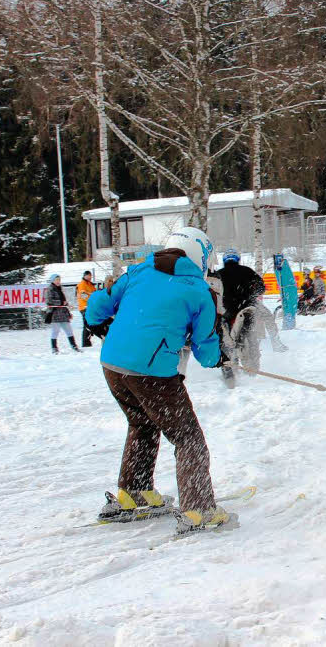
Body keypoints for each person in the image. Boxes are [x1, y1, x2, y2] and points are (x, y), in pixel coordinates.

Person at [85, 227, 228, 533]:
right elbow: (205, 348)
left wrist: (96, 322)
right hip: (152, 373)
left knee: (143, 424)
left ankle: (134, 493)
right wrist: (219, 357)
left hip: (112, 365)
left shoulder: (138, 271)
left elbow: (99, 306)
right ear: (199, 256)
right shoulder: (197, 289)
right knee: (188, 438)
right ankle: (199, 510)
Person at [215, 248, 267, 374]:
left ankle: (228, 371)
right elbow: (261, 287)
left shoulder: (218, 274)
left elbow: (210, 292)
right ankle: (253, 369)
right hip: (246, 310)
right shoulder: (247, 271)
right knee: (251, 336)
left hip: (226, 312)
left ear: (224, 260)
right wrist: (250, 295)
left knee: (224, 341)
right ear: (238, 259)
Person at [46, 274, 80, 354]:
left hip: (63, 313)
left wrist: (68, 311)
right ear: (52, 280)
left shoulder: (60, 289)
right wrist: (61, 302)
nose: (58, 281)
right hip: (55, 313)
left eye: (59, 280)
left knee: (69, 330)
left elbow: (64, 302)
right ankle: (54, 348)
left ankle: (74, 346)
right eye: (56, 280)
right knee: (55, 331)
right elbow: (49, 301)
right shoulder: (50, 289)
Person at [76, 270, 97, 348]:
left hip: (90, 307)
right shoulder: (82, 284)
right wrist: (92, 299)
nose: (89, 277)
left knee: (90, 324)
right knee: (87, 324)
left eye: (90, 275)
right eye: (88, 275)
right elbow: (83, 295)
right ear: (84, 276)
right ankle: (85, 342)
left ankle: (87, 341)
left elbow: (95, 293)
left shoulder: (90, 285)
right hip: (84, 307)